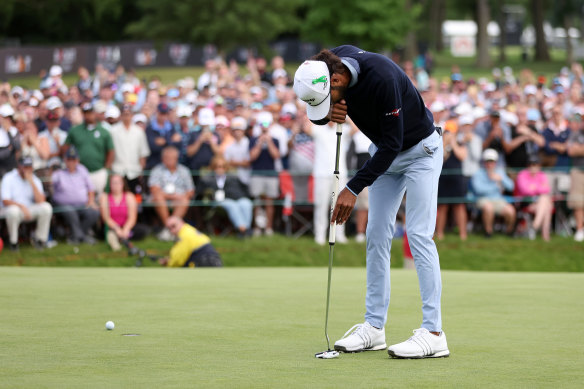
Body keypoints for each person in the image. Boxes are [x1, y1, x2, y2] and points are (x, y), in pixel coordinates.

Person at [293, 46, 449, 358]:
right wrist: (328, 116)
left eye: (329, 98)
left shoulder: (383, 76)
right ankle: (374, 327)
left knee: (418, 234)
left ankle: (434, 333)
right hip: (384, 155)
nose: (328, 104)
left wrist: (352, 188)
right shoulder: (329, 65)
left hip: (421, 152)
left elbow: (393, 142)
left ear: (337, 80)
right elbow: (327, 113)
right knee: (377, 235)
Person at [0, 156, 53, 250]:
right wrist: (21, 207)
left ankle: (40, 240)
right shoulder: (9, 178)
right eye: (25, 166)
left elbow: (41, 200)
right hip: (12, 209)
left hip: (29, 209)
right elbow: (5, 200)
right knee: (13, 211)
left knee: (46, 207)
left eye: (29, 167)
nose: (27, 169)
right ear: (19, 166)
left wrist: (31, 182)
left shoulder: (34, 179)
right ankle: (14, 243)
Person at [51, 147, 100, 244]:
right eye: (69, 159)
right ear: (65, 160)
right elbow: (50, 183)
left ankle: (76, 236)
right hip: (63, 205)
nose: (71, 162)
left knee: (94, 212)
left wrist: (91, 201)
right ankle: (81, 237)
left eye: (73, 159)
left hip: (82, 204)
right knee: (70, 212)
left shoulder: (82, 170)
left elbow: (91, 188)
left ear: (77, 160)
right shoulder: (59, 173)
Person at [63, 102, 114, 196]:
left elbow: (111, 151)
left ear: (94, 113)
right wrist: (71, 165)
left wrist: (106, 168)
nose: (88, 116)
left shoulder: (104, 131)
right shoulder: (75, 130)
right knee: (81, 198)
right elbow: (65, 148)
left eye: (90, 113)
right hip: (79, 171)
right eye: (86, 113)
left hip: (98, 170)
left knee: (101, 198)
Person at [148, 146, 195, 241]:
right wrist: (172, 196)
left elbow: (190, 191)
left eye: (171, 158)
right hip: (162, 198)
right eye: (166, 158)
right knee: (158, 197)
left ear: (176, 159)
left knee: (185, 200)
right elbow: (154, 189)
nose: (168, 160)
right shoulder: (157, 170)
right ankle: (171, 228)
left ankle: (168, 230)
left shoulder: (184, 170)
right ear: (162, 159)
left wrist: (180, 197)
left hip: (179, 199)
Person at [199, 156, 253, 236]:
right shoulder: (207, 178)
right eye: (218, 166)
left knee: (246, 203)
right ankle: (242, 229)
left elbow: (242, 190)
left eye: (223, 167)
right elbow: (202, 192)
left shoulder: (233, 177)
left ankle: (246, 229)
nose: (220, 169)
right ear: (213, 167)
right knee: (232, 204)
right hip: (218, 201)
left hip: (235, 198)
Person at [471, 148, 516, 237]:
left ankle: (509, 232)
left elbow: (511, 187)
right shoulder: (478, 173)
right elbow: (478, 190)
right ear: (484, 162)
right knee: (488, 208)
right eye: (488, 161)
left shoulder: (500, 173)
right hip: (483, 199)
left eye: (492, 161)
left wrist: (501, 179)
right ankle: (488, 232)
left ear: (495, 162)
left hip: (498, 200)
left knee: (511, 211)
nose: (490, 164)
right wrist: (495, 186)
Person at [435, 126, 468, 240]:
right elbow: (439, 157)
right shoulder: (439, 144)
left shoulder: (460, 144)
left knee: (459, 206)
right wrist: (445, 143)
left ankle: (463, 234)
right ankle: (439, 233)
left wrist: (453, 144)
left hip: (457, 179)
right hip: (443, 179)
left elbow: (462, 156)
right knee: (442, 206)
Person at [100, 174, 148, 251]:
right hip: (111, 227)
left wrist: (126, 229)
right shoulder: (105, 197)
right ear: (109, 185)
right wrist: (117, 229)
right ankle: (116, 239)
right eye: (113, 183)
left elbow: (132, 218)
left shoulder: (129, 196)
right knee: (106, 232)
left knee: (142, 230)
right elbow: (106, 218)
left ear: (122, 184)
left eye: (118, 183)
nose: (116, 185)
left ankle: (122, 237)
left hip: (126, 227)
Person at [110, 103, 150, 193]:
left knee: (133, 197)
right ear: (121, 115)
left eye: (128, 114)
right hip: (118, 170)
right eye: (124, 114)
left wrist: (141, 170)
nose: (126, 117)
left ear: (132, 115)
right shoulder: (113, 131)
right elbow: (110, 151)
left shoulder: (139, 131)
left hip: (134, 171)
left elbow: (142, 153)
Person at [158, 216, 223, 267]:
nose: (172, 230)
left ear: (182, 222)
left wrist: (168, 263)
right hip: (213, 258)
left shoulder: (184, 235)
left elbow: (178, 259)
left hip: (204, 261)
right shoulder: (189, 230)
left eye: (173, 226)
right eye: (169, 228)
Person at [515, 155, 553, 241]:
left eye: (535, 164)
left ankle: (535, 226)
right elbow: (524, 190)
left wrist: (534, 187)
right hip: (526, 202)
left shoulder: (542, 175)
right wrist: (539, 187)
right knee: (546, 204)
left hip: (538, 203)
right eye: (531, 164)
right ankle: (543, 233)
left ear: (539, 166)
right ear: (528, 165)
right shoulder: (522, 174)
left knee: (545, 202)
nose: (533, 167)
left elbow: (547, 189)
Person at [567, 113, 584, 242]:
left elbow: (576, 150)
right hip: (578, 171)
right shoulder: (575, 134)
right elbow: (571, 151)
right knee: (578, 202)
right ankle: (579, 229)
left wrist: (580, 149)